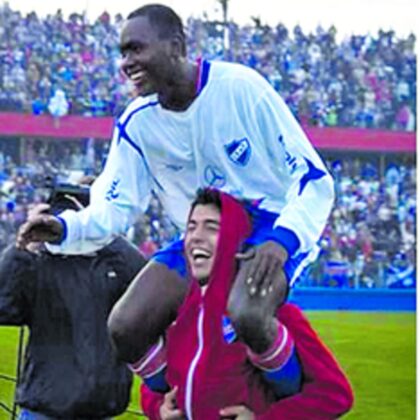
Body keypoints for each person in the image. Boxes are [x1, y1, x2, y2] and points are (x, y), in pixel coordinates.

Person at [17, 4, 335, 366]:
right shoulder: (137, 123)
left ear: (176, 46)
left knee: (246, 315)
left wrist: (283, 240)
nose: (126, 63)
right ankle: (175, 395)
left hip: (268, 226)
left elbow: (313, 178)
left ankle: (297, 391)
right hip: (200, 235)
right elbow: (115, 205)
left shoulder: (242, 88)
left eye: (136, 49)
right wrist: (64, 229)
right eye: (123, 53)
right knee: (126, 326)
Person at [138, 188, 353, 419]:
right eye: (191, 227)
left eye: (212, 228)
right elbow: (156, 385)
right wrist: (158, 408)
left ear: (235, 241)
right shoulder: (180, 314)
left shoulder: (273, 314)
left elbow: (335, 393)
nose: (196, 237)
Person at [0, 183, 147, 419]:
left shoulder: (114, 263)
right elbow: (4, 308)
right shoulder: (38, 264)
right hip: (46, 410)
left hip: (99, 409)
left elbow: (147, 287)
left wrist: (103, 232)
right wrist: (22, 246)